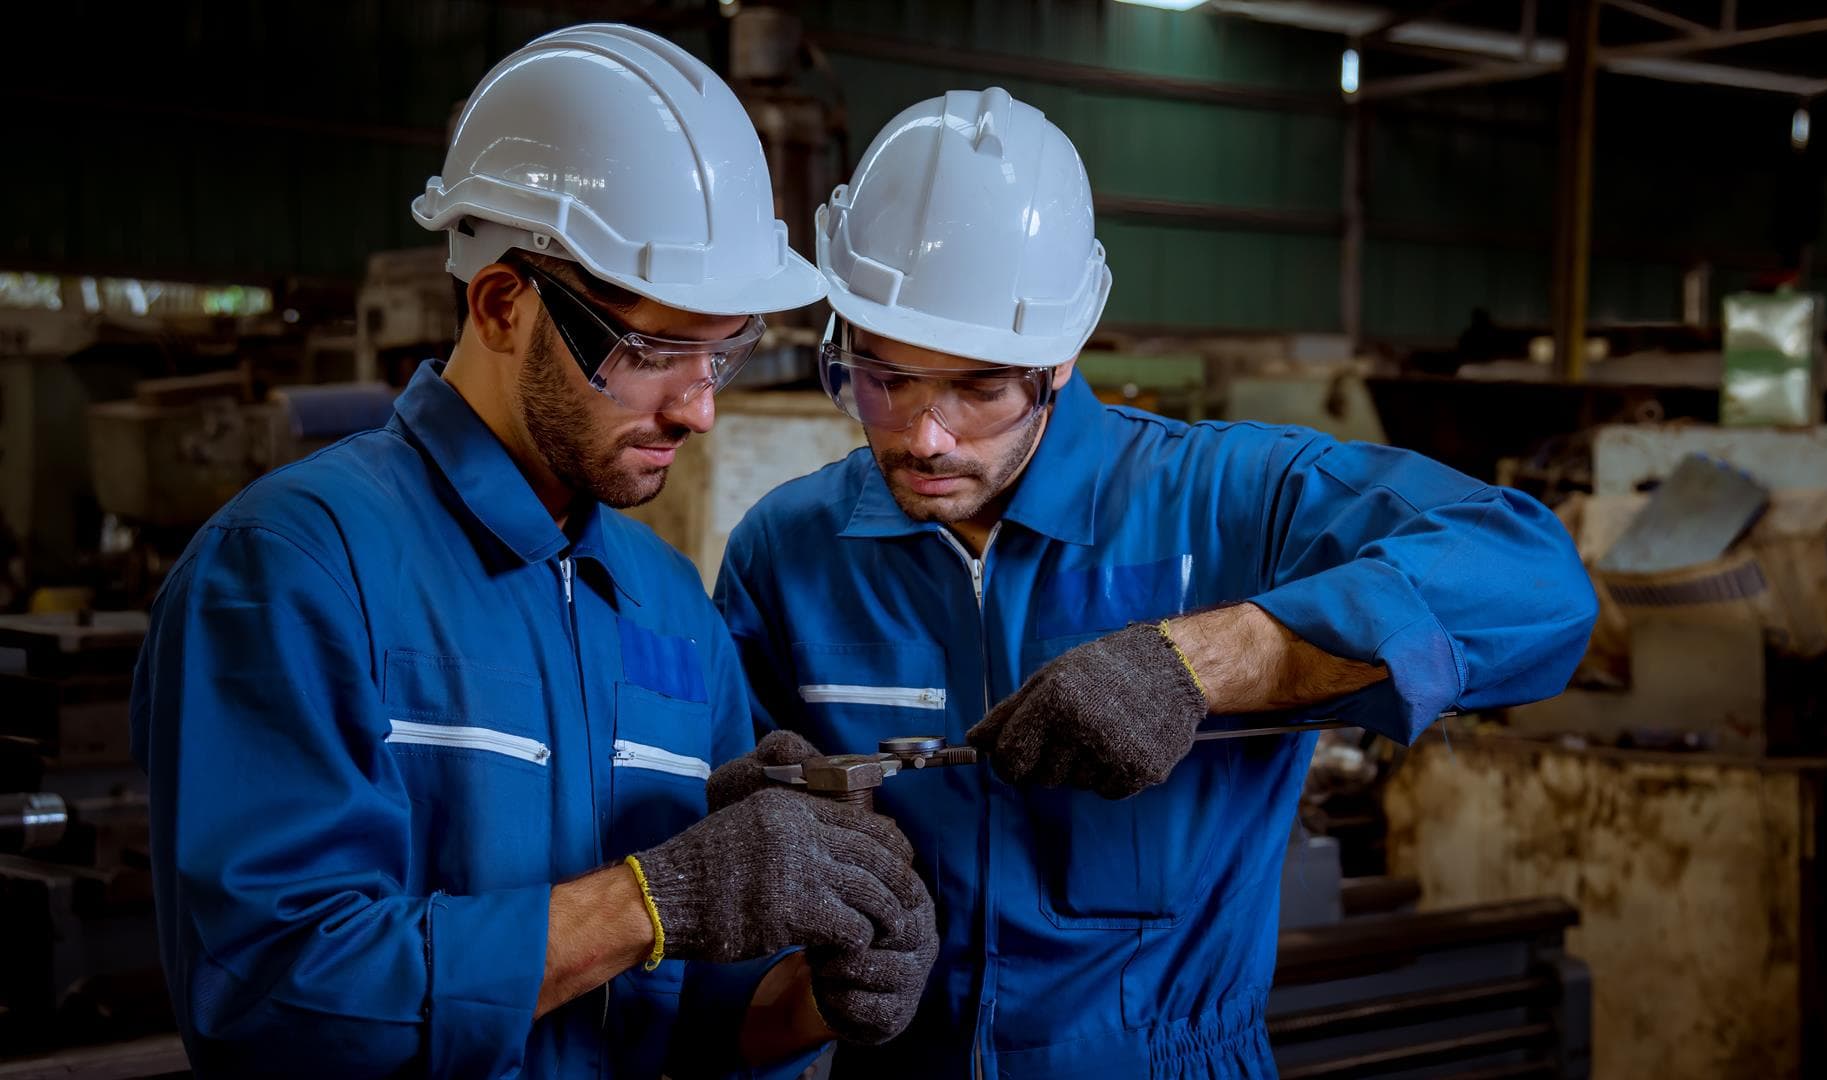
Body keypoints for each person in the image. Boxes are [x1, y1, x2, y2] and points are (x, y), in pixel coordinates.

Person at [711, 87, 1600, 1078]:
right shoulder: (786, 552)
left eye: (979, 387)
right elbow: (729, 929)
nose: (924, 437)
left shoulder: (1229, 503)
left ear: (1060, 356)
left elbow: (1535, 584)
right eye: (882, 379)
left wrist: (1207, 662)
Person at [131, 25, 934, 1078]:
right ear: (504, 304)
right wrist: (651, 901)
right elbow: (278, 997)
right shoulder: (292, 572)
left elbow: (696, 1023)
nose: (699, 409)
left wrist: (818, 991)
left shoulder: (668, 609)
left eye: (724, 352)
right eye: (654, 350)